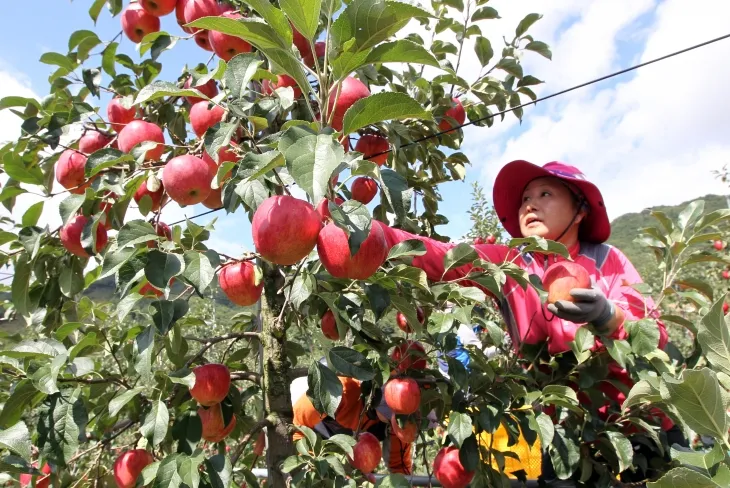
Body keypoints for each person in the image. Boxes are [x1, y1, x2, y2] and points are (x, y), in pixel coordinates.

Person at [375, 160, 679, 485]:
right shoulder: (510, 266)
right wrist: (375, 235)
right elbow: (443, 255)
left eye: (545, 193)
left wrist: (609, 317)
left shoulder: (607, 260)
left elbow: (653, 339)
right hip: (563, 435)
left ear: (580, 210)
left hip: (638, 429)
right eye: (524, 199)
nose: (530, 204)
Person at [291, 368, 413, 476]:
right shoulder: (337, 393)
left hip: (347, 435)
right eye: (394, 409)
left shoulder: (398, 423)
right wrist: (311, 467)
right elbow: (297, 429)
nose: (397, 419)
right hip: (307, 415)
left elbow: (400, 466)